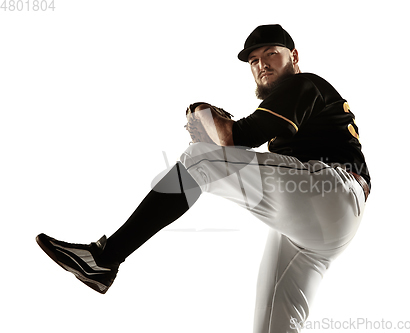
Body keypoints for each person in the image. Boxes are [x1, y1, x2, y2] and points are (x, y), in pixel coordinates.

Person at [36, 24, 371, 333]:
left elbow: (233, 138)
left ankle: (106, 258)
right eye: (253, 59)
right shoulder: (297, 103)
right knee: (272, 324)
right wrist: (211, 127)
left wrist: (198, 111)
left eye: (271, 53)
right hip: (324, 225)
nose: (262, 64)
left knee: (199, 159)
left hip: (331, 189)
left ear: (293, 57)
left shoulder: (303, 83)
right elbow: (227, 139)